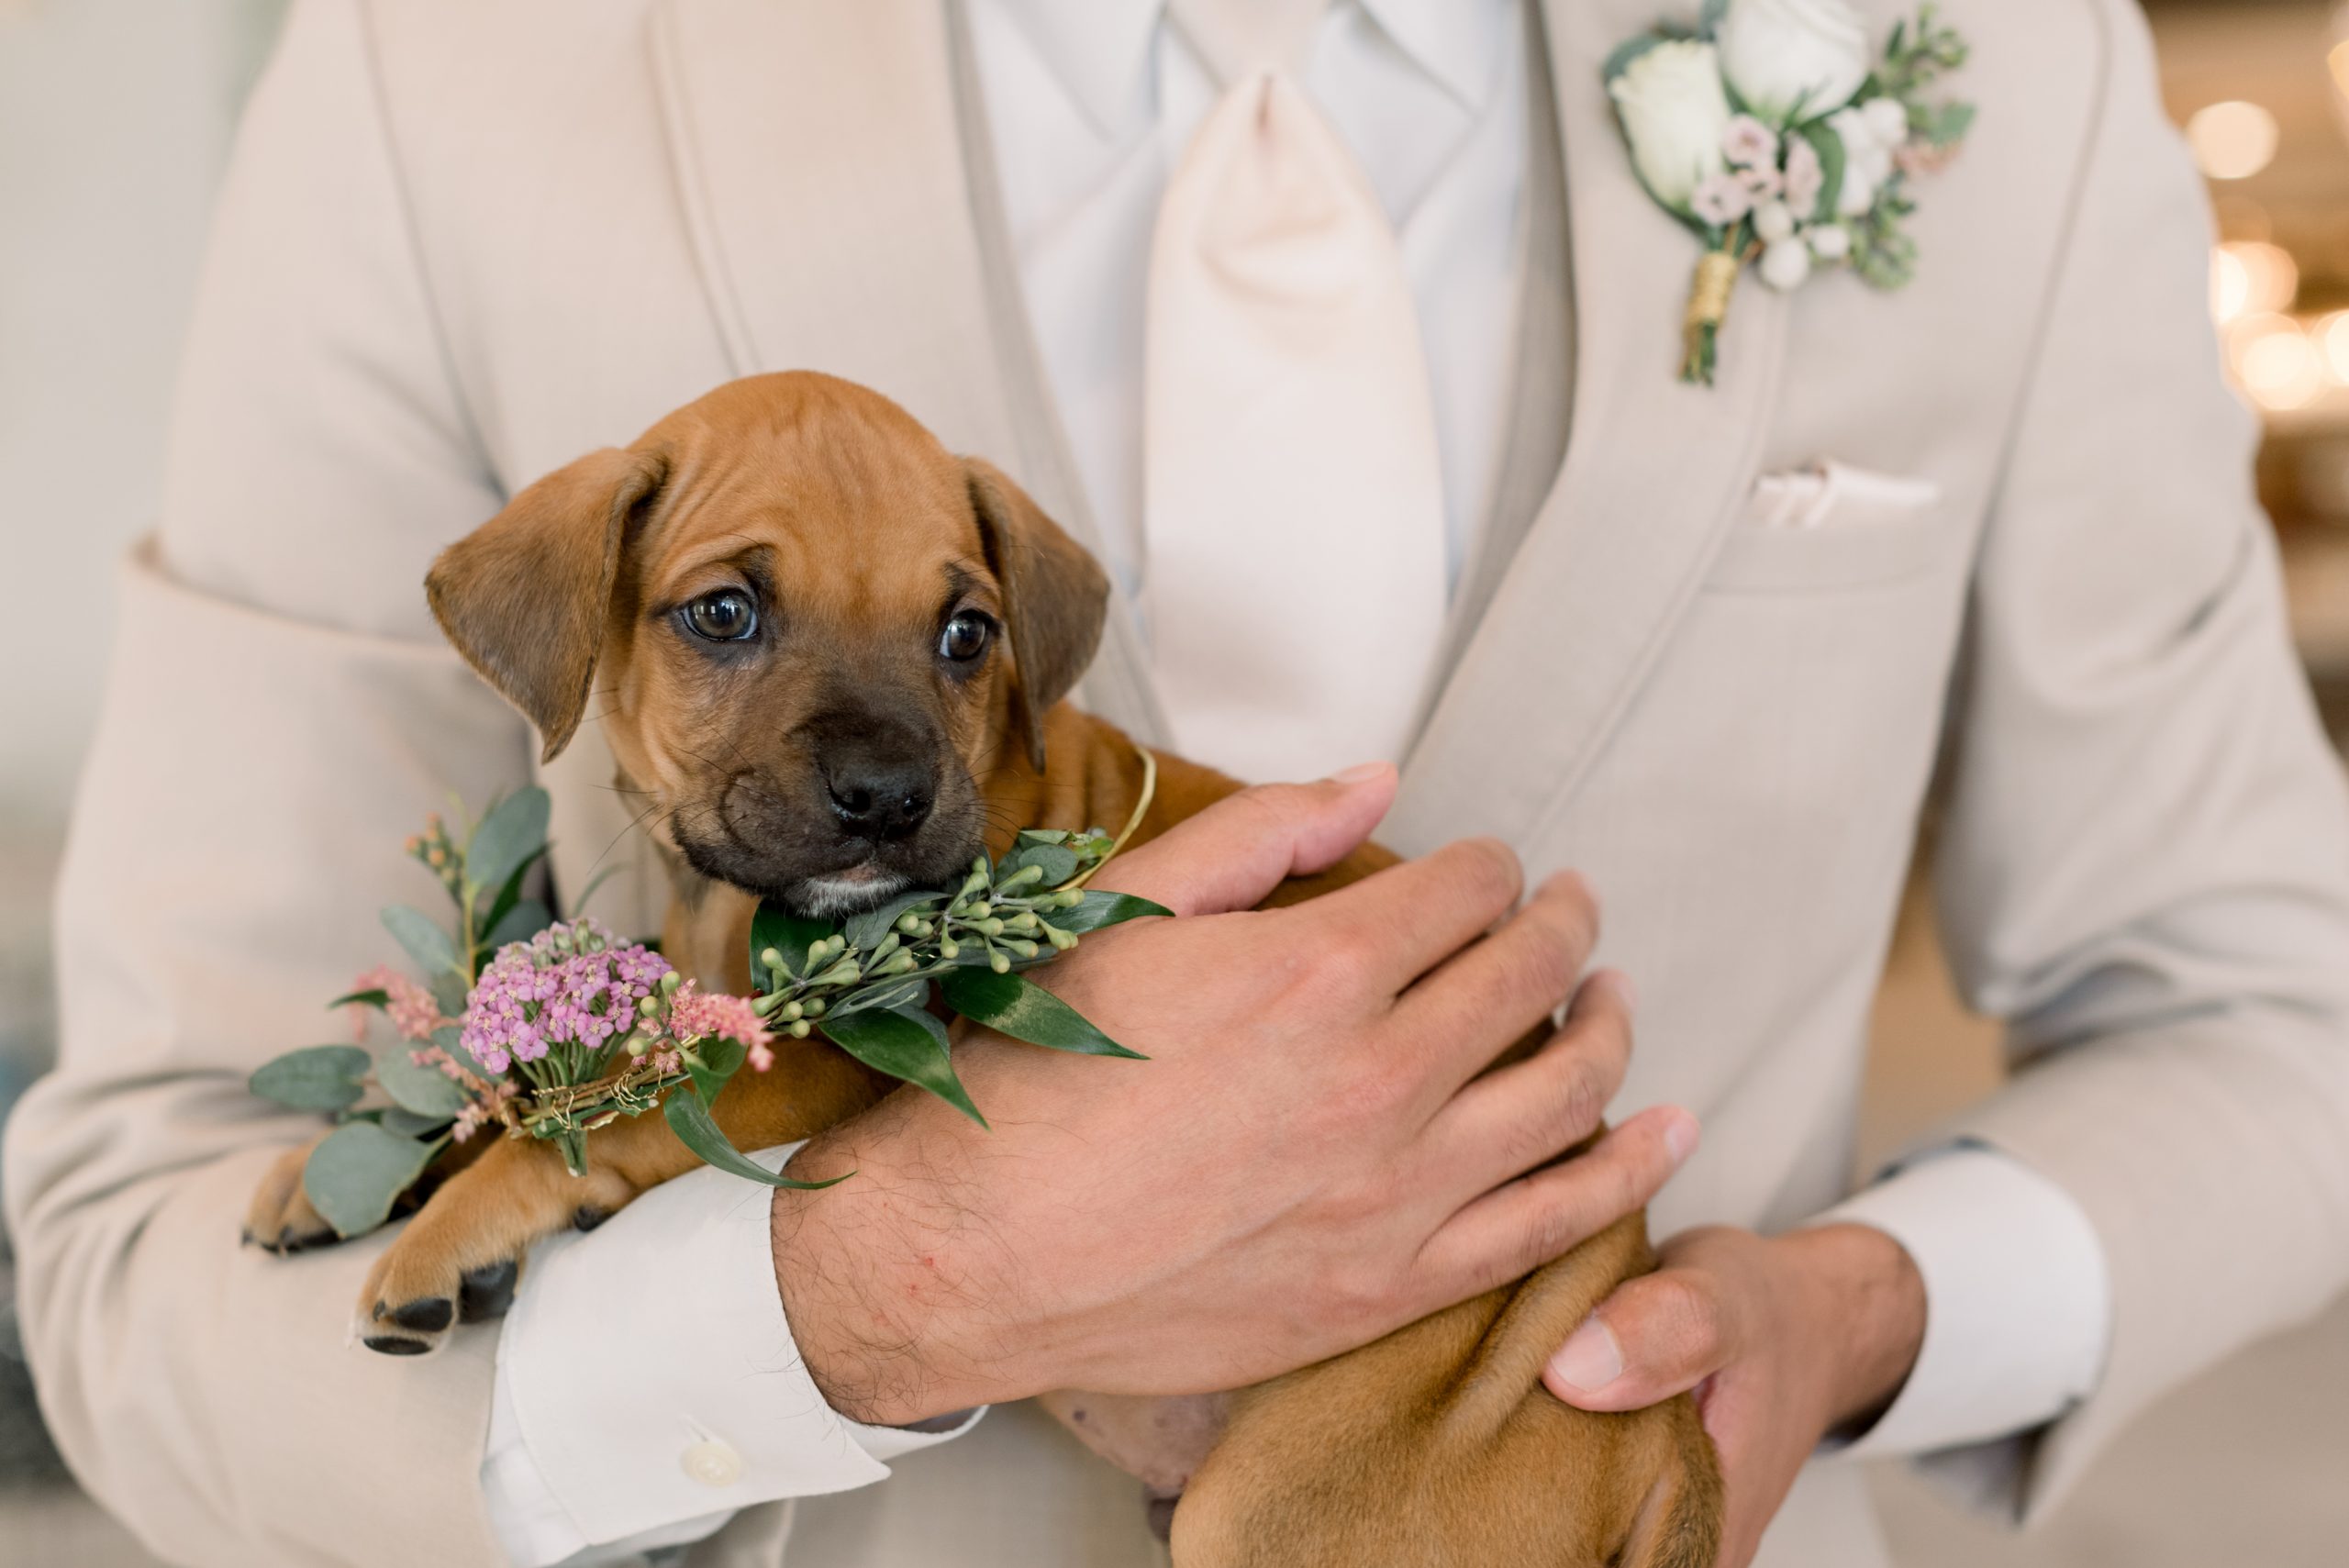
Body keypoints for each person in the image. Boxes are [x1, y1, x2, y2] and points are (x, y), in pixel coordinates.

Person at [8, 1, 2348, 1566]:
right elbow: (141, 1225)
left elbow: (2276, 1003)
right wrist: (861, 1300)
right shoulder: (452, 65)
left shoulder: (1996, 62)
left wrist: (1848, 1319)